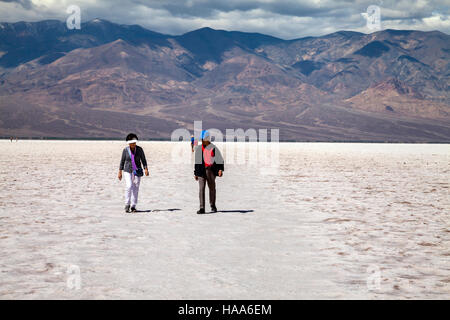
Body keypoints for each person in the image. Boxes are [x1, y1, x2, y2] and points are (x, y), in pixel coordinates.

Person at [194, 130, 224, 214]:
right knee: (201, 189)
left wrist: (220, 169)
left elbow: (220, 160)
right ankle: (202, 208)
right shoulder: (199, 149)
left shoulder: (213, 148)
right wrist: (195, 173)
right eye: (202, 139)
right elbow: (196, 162)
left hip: (211, 171)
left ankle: (213, 205)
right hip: (201, 171)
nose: (202, 141)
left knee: (212, 189)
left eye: (203, 139)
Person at [118, 133, 149, 213]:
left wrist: (146, 168)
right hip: (127, 170)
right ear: (128, 143)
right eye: (132, 143)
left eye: (135, 142)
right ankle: (127, 204)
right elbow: (122, 161)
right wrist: (120, 172)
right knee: (129, 186)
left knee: (136, 188)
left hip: (137, 171)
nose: (133, 144)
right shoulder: (125, 150)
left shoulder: (139, 149)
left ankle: (133, 206)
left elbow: (143, 159)